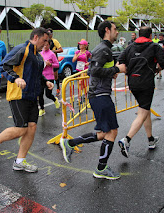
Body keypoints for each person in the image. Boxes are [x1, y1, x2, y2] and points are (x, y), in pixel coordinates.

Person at [60, 20, 126, 180]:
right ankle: (100, 169)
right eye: (115, 29)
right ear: (107, 30)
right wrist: (117, 69)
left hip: (100, 94)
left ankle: (70, 143)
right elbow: (93, 71)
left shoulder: (106, 49)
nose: (117, 32)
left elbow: (99, 70)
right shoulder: (102, 49)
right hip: (100, 95)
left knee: (104, 133)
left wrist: (112, 72)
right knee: (112, 131)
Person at [0, 28, 53, 173]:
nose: (47, 43)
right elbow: (3, 66)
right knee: (22, 128)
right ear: (36, 37)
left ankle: (20, 161)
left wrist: (46, 81)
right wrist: (16, 78)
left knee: (32, 128)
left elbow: (36, 75)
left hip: (32, 96)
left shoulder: (38, 57)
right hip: (18, 95)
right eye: (45, 40)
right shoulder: (22, 50)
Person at [117, 26, 164, 157]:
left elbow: (121, 61)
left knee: (145, 110)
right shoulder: (154, 46)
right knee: (142, 112)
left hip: (132, 83)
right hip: (146, 83)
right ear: (150, 35)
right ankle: (126, 140)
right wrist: (157, 69)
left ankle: (151, 140)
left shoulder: (130, 47)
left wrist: (130, 70)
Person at [39, 40, 60, 117]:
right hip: (41, 76)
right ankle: (42, 109)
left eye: (46, 45)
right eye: (43, 45)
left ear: (49, 45)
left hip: (49, 76)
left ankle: (55, 100)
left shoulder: (52, 54)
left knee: (48, 94)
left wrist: (50, 64)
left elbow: (57, 64)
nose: (45, 46)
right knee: (40, 93)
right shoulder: (40, 54)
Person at [47, 28, 63, 97]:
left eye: (50, 34)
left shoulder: (54, 41)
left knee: (55, 76)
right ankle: (48, 91)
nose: (48, 35)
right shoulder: (44, 41)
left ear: (52, 34)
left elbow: (61, 49)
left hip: (53, 61)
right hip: (47, 61)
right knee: (47, 75)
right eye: (47, 34)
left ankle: (58, 88)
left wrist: (54, 51)